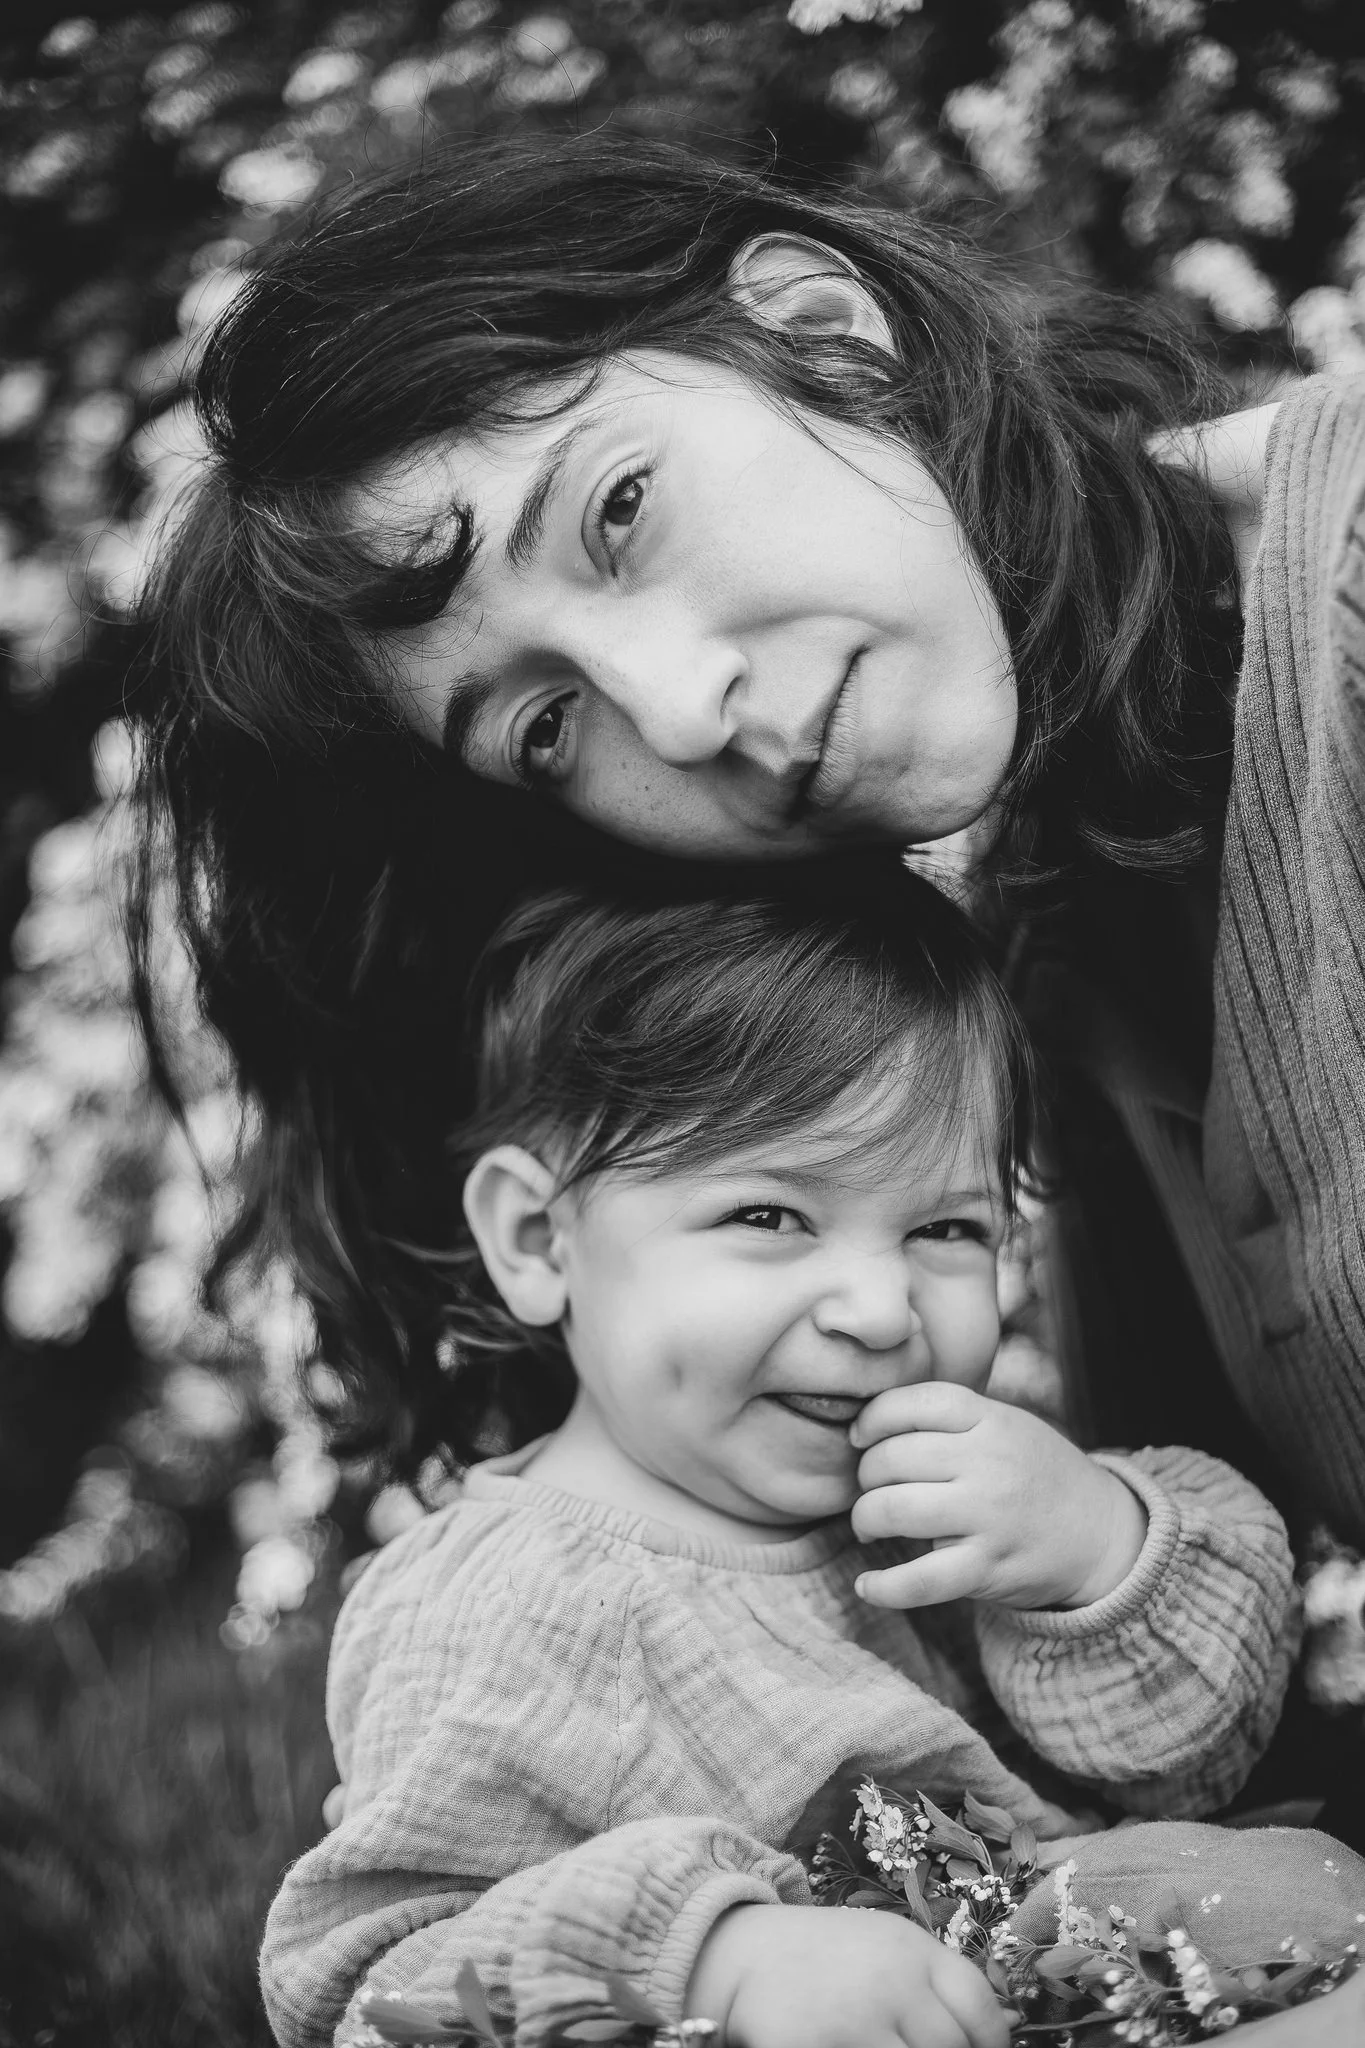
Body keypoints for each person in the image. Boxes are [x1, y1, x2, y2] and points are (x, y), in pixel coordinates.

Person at [131, 138, 1365, 1572]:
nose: (676, 707)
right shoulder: (1056, 911)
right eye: (546, 726)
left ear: (818, 330)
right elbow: (1204, 1580)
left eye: (619, 513)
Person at [258, 874, 1365, 2048]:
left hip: (1127, 1965)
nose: (882, 1308)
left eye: (946, 1228)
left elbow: (1196, 1765)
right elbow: (378, 1984)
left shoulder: (936, 1492)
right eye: (771, 1215)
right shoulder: (512, 1600)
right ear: (539, 1238)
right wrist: (719, 1959)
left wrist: (1095, 1548)